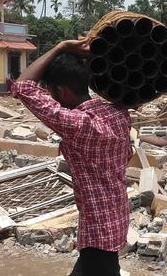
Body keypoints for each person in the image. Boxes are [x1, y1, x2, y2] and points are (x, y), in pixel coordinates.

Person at [10, 40, 131, 276]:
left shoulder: (77, 124)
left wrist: (60, 47)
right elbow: (128, 155)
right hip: (116, 219)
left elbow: (22, 87)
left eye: (52, 93)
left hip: (98, 229)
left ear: (60, 91)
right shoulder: (119, 114)